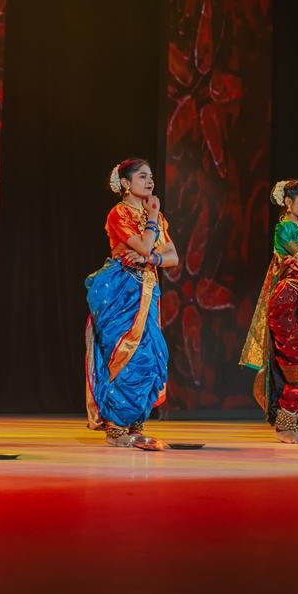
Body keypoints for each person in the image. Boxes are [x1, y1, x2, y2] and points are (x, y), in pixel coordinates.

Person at [85, 157, 178, 450]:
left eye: (151, 177)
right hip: (120, 291)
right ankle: (116, 428)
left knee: (151, 356)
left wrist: (153, 258)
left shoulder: (156, 218)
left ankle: (135, 424)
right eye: (142, 177)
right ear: (125, 183)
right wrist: (152, 220)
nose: (150, 182)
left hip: (147, 290)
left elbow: (172, 257)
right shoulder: (119, 213)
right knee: (124, 356)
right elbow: (145, 245)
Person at [240, 179, 298, 444]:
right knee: (296, 363)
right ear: (289, 203)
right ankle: (284, 426)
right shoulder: (285, 229)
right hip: (289, 301)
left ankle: (293, 423)